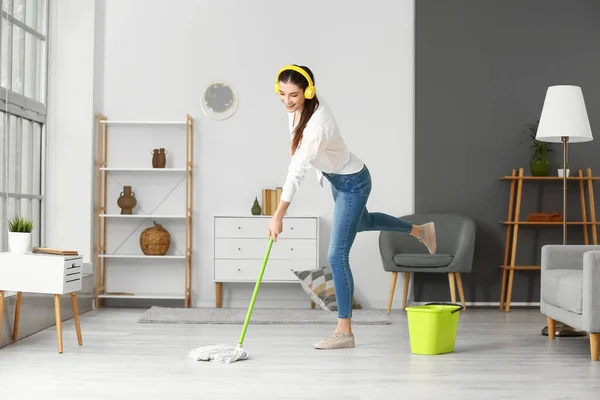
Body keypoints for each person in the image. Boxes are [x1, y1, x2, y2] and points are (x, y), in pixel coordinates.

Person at [267, 64, 437, 350]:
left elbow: (297, 171)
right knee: (364, 221)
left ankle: (344, 330)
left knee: (336, 256)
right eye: (282, 93)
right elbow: (300, 155)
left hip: (353, 182)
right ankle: (420, 231)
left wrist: (278, 214)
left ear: (308, 92)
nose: (287, 100)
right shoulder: (298, 111)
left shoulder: (317, 124)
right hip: (339, 179)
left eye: (293, 95)